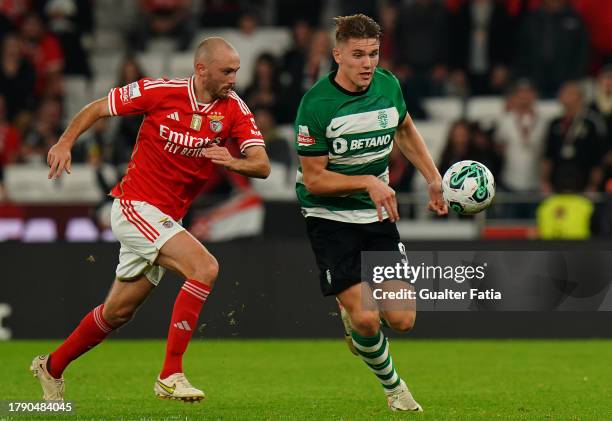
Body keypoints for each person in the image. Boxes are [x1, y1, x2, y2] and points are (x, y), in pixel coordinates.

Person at [31, 37, 270, 402]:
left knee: (118, 312)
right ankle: (170, 374)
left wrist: (232, 160)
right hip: (135, 206)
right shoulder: (160, 91)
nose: (234, 78)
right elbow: (98, 108)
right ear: (201, 69)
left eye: (236, 70)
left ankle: (51, 367)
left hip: (168, 218)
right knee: (204, 267)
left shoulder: (234, 108)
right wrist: (65, 142)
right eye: (227, 71)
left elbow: (262, 165)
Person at [294, 14, 447, 412]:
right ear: (338, 55)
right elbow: (314, 179)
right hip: (330, 219)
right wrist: (367, 181)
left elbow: (405, 129)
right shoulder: (316, 105)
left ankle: (355, 317)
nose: (367, 63)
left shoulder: (387, 85)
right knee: (366, 319)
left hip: (376, 217)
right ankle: (395, 389)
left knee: (402, 319)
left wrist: (432, 177)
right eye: (358, 55)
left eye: (374, 54)